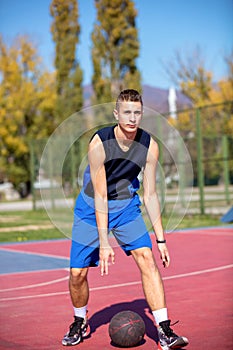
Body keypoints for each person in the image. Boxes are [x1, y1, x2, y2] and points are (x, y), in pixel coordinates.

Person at [62, 89, 189, 349]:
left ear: (142, 114)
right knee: (77, 273)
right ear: (116, 113)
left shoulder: (149, 145)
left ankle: (164, 331)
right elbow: (99, 195)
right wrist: (104, 241)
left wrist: (161, 239)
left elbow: (151, 194)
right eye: (126, 112)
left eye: (137, 112)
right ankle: (79, 321)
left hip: (126, 207)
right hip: (91, 207)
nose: (132, 118)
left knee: (147, 257)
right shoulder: (99, 142)